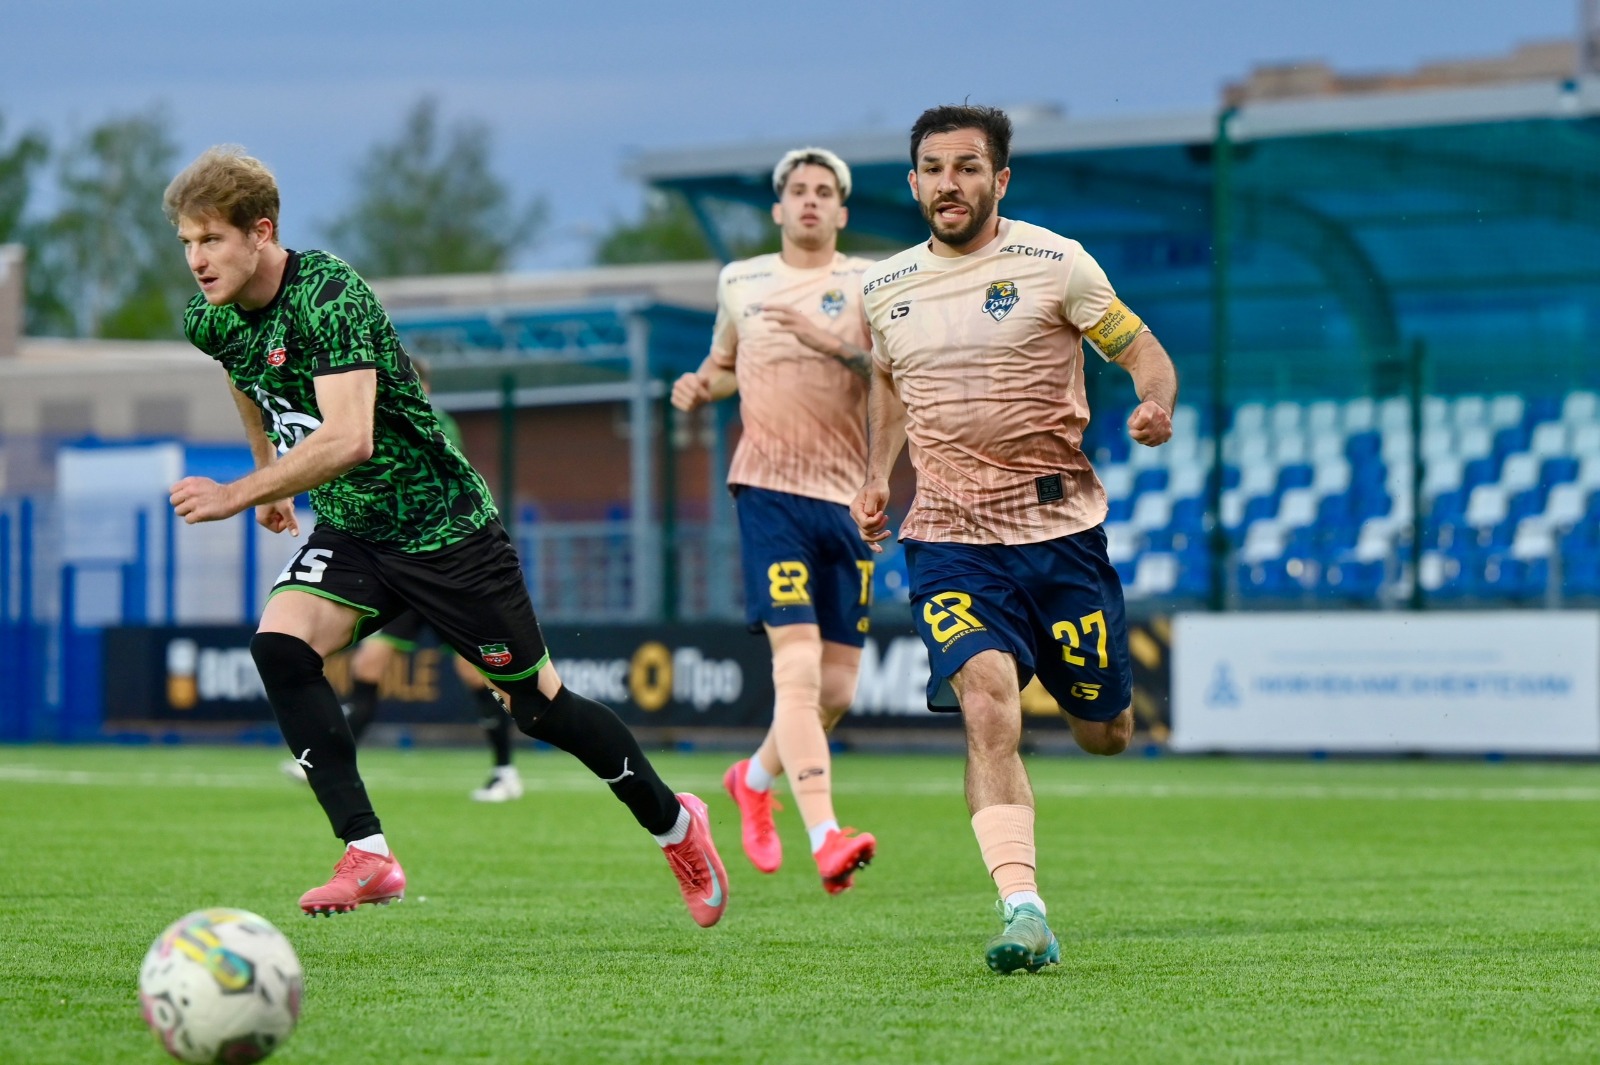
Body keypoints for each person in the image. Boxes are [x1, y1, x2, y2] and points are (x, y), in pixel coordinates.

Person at [163, 145, 727, 925]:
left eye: (211, 239)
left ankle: (676, 824)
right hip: (358, 530)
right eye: (187, 242)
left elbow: (351, 437)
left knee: (541, 708)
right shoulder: (211, 318)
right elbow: (240, 368)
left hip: (445, 531)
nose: (196, 259)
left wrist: (237, 491)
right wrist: (268, 470)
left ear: (261, 232)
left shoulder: (328, 293)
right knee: (281, 646)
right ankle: (368, 852)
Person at [851, 105, 1177, 972]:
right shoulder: (885, 287)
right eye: (932, 168)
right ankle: (1023, 907)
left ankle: (1097, 706)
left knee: (1104, 730)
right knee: (987, 703)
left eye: (967, 167)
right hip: (948, 536)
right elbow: (888, 382)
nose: (948, 183)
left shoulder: (1056, 262)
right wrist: (877, 473)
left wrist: (1154, 402)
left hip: (1059, 535)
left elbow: (1142, 348)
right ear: (913, 182)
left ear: (999, 179)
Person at [671, 147, 877, 895]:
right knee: (796, 668)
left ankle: (753, 779)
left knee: (838, 690)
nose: (811, 200)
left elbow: (889, 373)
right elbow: (726, 363)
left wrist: (831, 344)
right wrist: (701, 385)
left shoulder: (868, 283)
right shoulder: (741, 281)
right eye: (799, 190)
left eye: (824, 191)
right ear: (779, 208)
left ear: (842, 211)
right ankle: (826, 836)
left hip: (847, 499)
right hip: (768, 492)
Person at [280, 358, 523, 804]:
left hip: (442, 569)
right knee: (369, 665)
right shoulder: (376, 418)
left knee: (475, 673)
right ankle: (328, 758)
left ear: (421, 385)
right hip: (401, 571)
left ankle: (505, 770)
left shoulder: (435, 421)